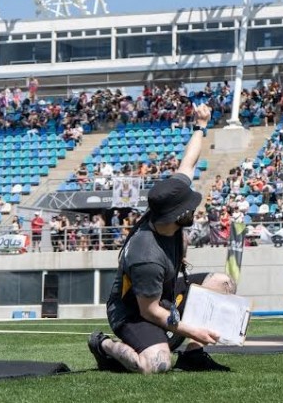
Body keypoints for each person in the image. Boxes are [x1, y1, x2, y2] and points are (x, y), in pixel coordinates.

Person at [88, 104, 235, 374]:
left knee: (223, 285)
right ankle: (103, 345)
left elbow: (188, 164)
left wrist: (200, 125)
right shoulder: (146, 255)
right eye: (190, 208)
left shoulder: (167, 205)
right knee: (156, 364)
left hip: (164, 292)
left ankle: (192, 355)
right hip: (133, 310)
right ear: (175, 216)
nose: (195, 208)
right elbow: (150, 311)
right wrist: (195, 329)